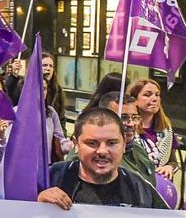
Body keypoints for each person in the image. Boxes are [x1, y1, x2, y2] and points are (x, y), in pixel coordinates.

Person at [37, 108, 169, 210]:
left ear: (123, 145)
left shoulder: (139, 188)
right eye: (92, 143)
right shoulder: (51, 177)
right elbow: (18, 217)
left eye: (112, 143)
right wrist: (36, 202)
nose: (102, 151)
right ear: (76, 144)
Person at [69, 93, 159, 187]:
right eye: (123, 117)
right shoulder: (83, 155)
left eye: (135, 117)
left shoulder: (139, 149)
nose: (131, 124)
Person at [129, 79, 178, 180]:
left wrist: (169, 167)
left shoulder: (167, 128)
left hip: (160, 187)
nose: (154, 99)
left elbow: (173, 162)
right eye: (147, 95)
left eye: (157, 95)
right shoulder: (128, 128)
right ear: (134, 99)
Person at [5, 52, 66, 118]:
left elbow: (61, 117)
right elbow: (11, 94)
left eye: (51, 66)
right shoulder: (23, 87)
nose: (48, 68)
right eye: (44, 65)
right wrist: (14, 75)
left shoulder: (57, 91)